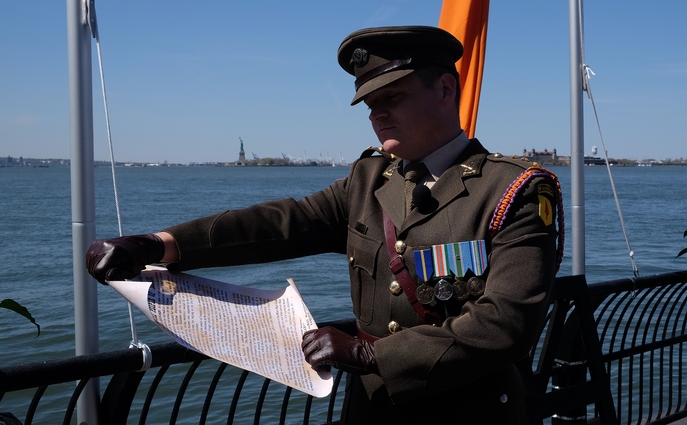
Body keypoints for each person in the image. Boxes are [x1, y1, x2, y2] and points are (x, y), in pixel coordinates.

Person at [86, 25, 561, 424]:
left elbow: (506, 325)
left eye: (392, 96)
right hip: (375, 409)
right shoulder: (370, 179)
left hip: (472, 412)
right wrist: (155, 245)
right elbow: (281, 223)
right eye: (369, 103)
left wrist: (368, 355)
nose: (377, 113)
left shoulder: (512, 191)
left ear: (444, 89)